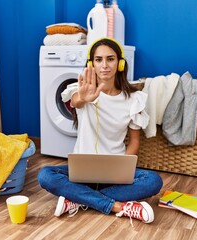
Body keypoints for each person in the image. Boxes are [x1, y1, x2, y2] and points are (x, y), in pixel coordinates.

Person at [37, 38, 163, 226]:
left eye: (110, 59)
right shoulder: (82, 90)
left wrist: (122, 169)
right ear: (91, 64)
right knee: (45, 175)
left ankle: (78, 199)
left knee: (153, 180)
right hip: (82, 171)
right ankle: (118, 206)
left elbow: (134, 142)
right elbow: (76, 101)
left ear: (120, 63)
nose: (104, 65)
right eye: (98, 60)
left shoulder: (133, 99)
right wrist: (83, 97)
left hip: (114, 172)